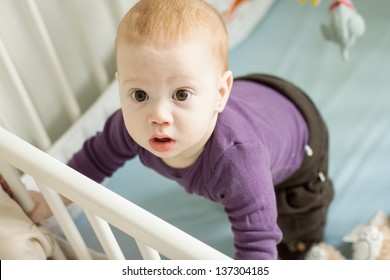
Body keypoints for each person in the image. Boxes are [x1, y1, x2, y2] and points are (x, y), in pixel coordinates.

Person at [28, 0, 334, 260]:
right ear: (122, 88)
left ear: (219, 93)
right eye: (139, 95)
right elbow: (92, 161)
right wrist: (48, 199)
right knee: (242, 194)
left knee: (294, 230)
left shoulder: (240, 164)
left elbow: (258, 245)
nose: (158, 116)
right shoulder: (127, 125)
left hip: (299, 137)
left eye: (181, 94)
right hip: (251, 97)